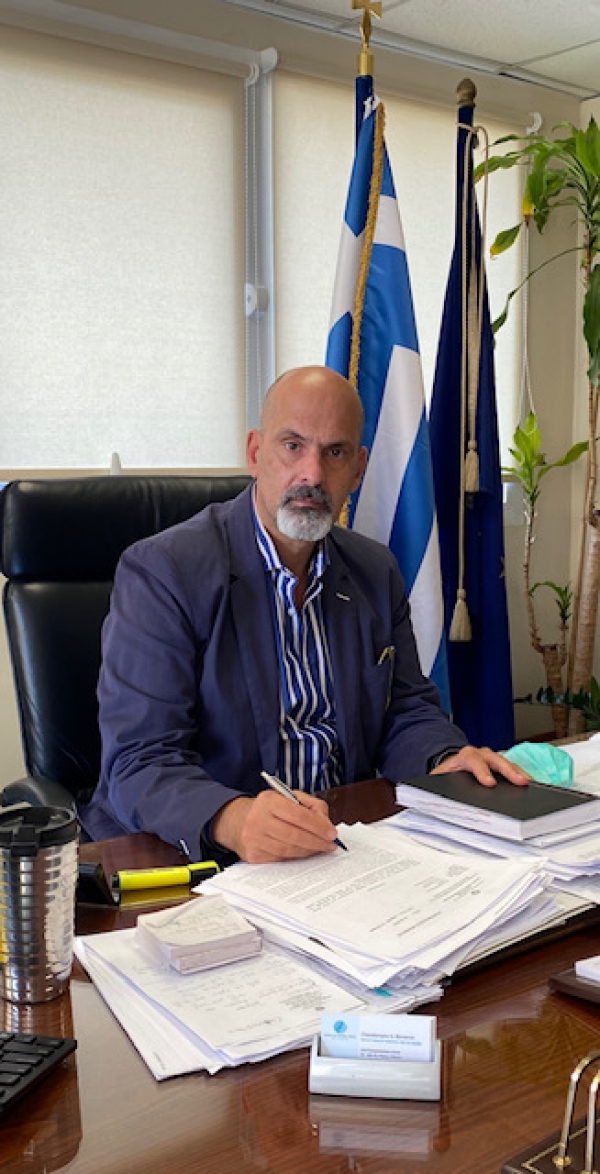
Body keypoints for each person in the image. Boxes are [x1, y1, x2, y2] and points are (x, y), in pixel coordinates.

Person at [78, 366, 527, 861]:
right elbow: (139, 760)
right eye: (292, 446)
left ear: (358, 470)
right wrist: (232, 818)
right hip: (197, 856)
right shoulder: (164, 572)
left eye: (334, 453)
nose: (312, 474)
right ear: (255, 453)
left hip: (336, 844)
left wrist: (443, 758)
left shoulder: (374, 571)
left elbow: (405, 710)